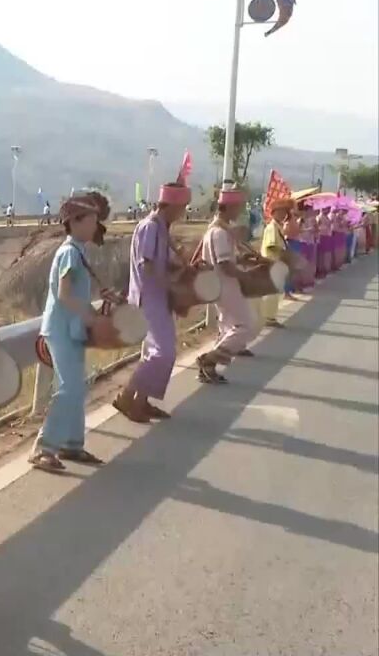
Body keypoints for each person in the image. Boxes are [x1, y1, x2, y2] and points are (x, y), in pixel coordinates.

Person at [29, 194, 107, 472]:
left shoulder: (79, 251)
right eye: (91, 221)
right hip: (61, 329)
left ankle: (72, 444)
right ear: (74, 222)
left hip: (71, 329)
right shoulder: (69, 253)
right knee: (68, 387)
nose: (95, 227)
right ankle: (43, 448)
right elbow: (64, 294)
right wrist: (88, 314)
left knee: (77, 385)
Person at [114, 180, 190, 423]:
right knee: (163, 352)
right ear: (172, 205)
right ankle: (127, 396)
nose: (183, 212)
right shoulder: (149, 227)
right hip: (149, 299)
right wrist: (169, 285)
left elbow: (163, 261)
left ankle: (142, 402)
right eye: (182, 207)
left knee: (152, 353)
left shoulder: (162, 228)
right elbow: (146, 265)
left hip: (158, 298)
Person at [196, 186, 257, 383]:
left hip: (221, 285)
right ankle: (209, 360)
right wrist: (244, 275)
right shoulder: (219, 233)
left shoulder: (219, 230)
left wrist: (240, 260)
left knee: (229, 326)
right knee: (245, 326)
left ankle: (209, 367)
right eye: (238, 207)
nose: (240, 211)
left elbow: (225, 261)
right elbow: (223, 264)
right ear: (229, 207)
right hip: (225, 285)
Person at [261, 198, 293, 325]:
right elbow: (272, 246)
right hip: (271, 263)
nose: (282, 214)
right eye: (279, 212)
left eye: (284, 212)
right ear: (273, 213)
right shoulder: (272, 228)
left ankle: (270, 317)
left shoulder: (278, 227)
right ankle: (267, 318)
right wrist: (284, 254)